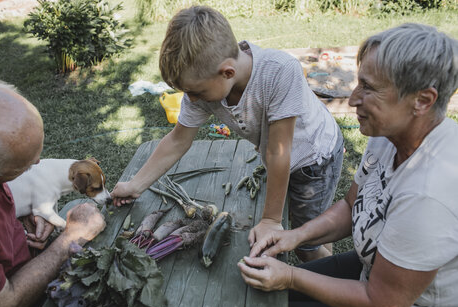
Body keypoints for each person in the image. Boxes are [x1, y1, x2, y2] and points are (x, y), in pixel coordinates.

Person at [238, 23, 458, 307]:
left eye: (368, 88)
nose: (353, 99)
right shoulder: (388, 133)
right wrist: (295, 236)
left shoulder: (429, 195)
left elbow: (384, 301)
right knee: (261, 300)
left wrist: (290, 276)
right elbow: (351, 204)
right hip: (373, 271)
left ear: (422, 101)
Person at [111, 5, 344, 262]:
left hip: (314, 159)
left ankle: (331, 283)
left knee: (307, 244)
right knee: (291, 224)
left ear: (227, 72)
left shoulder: (280, 71)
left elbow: (280, 152)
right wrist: (135, 185)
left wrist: (270, 220)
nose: (191, 99)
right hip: (280, 157)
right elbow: (178, 140)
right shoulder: (206, 81)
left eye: (196, 92)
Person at [0, 81, 106, 307]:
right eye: (25, 165)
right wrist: (70, 238)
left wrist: (26, 221)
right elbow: (6, 305)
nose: (38, 162)